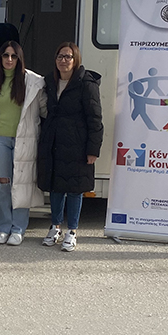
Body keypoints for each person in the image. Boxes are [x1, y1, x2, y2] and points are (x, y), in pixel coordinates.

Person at [0, 40, 47, 246]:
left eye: (14, 56)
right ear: (0, 58)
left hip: (25, 139)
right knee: (3, 184)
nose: (9, 59)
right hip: (1, 139)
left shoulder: (33, 82)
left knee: (21, 183)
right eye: (5, 55)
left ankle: (18, 229)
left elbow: (45, 110)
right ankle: (3, 227)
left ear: (19, 59)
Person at [37, 42, 103, 252]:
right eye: (60, 56)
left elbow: (95, 118)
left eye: (68, 57)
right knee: (56, 187)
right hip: (54, 143)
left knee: (75, 189)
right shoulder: (49, 81)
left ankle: (72, 231)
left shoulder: (86, 83)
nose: (63, 60)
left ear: (76, 60)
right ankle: (55, 227)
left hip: (78, 145)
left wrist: (93, 150)